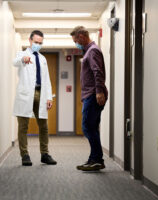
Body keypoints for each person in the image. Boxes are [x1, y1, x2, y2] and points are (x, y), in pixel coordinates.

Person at [13, 30, 57, 166]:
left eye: (40, 43)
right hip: (26, 94)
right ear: (30, 41)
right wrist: (22, 60)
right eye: (36, 42)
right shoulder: (22, 54)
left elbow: (47, 80)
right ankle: (24, 155)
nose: (38, 45)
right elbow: (14, 62)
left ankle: (44, 154)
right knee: (23, 126)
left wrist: (49, 97)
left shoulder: (42, 59)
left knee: (43, 126)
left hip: (40, 93)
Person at [71, 26, 108, 171]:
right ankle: (94, 159)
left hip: (93, 94)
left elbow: (97, 72)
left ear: (81, 36)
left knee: (87, 127)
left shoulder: (92, 51)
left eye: (76, 41)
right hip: (90, 94)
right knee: (92, 127)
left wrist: (99, 91)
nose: (76, 44)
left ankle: (97, 159)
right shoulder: (89, 51)